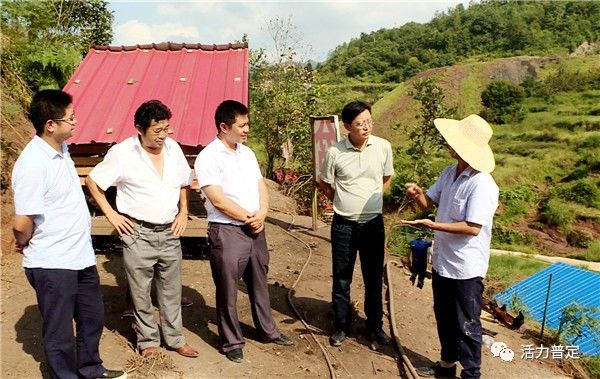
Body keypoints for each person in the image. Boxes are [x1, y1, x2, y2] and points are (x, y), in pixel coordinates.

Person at [11, 89, 126, 379]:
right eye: (71, 118)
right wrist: (24, 241)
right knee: (59, 332)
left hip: (80, 256)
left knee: (91, 318)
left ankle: (90, 369)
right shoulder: (33, 163)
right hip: (52, 262)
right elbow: (21, 222)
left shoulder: (61, 151)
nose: (76, 122)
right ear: (51, 124)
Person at [85, 100, 198, 358]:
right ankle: (148, 341)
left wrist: (183, 211)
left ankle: (175, 338)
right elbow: (93, 181)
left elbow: (184, 181)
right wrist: (112, 215)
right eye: (156, 130)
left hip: (170, 231)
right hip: (138, 233)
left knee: (171, 289)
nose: (163, 135)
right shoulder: (123, 153)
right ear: (139, 128)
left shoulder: (173, 148)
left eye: (166, 128)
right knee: (141, 291)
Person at [194, 100, 293, 363]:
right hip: (227, 231)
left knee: (259, 283)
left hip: (255, 228)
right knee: (227, 288)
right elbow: (217, 199)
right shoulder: (208, 157)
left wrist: (262, 214)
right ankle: (231, 341)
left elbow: (260, 186)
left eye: (247, 123)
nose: (247, 129)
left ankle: (268, 331)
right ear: (224, 126)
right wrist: (248, 218)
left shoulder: (246, 153)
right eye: (242, 125)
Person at [402, 114, 499, 379]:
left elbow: (472, 227)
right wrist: (417, 193)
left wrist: (433, 226)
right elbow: (428, 202)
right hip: (444, 261)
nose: (449, 143)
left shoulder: (482, 184)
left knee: (467, 324)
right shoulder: (449, 173)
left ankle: (471, 374)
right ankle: (446, 366)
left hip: (466, 268)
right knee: (444, 317)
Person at [319, 100, 394, 347]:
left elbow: (387, 176)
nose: (366, 127)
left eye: (369, 121)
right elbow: (324, 183)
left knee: (373, 277)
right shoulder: (335, 152)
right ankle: (341, 326)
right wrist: (342, 200)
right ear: (347, 126)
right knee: (342, 277)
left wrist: (374, 198)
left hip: (373, 223)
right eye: (360, 123)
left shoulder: (383, 147)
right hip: (344, 225)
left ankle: (375, 326)